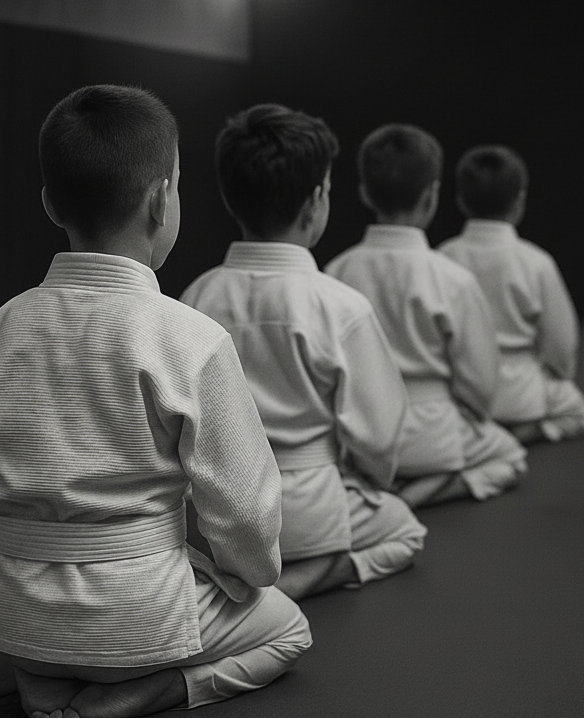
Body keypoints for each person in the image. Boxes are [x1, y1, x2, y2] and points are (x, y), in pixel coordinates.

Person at [0, 85, 312, 719]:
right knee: (288, 629)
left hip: (16, 616)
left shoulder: (7, 324)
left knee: (45, 646)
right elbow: (245, 517)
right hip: (141, 618)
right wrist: (243, 577)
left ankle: (43, 683)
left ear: (49, 202)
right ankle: (134, 697)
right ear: (162, 200)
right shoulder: (188, 335)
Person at [180, 104, 427, 601]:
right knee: (406, 530)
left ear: (229, 197)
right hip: (313, 510)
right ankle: (293, 587)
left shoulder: (195, 298)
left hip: (217, 517)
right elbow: (379, 439)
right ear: (316, 201)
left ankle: (241, 589)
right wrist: (369, 481)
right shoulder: (341, 305)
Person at [325, 124, 527, 508]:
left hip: (361, 435)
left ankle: (384, 492)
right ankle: (419, 495)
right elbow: (479, 383)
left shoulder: (336, 271)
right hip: (434, 433)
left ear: (364, 192)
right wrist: (473, 414)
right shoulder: (452, 278)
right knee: (511, 456)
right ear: (432, 195)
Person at [439, 145, 584, 444]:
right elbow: (562, 347)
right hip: (523, 396)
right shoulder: (536, 261)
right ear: (519, 200)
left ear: (460, 201)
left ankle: (483, 436)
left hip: (461, 394)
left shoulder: (442, 258)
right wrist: (559, 377)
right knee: (577, 408)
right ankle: (527, 433)